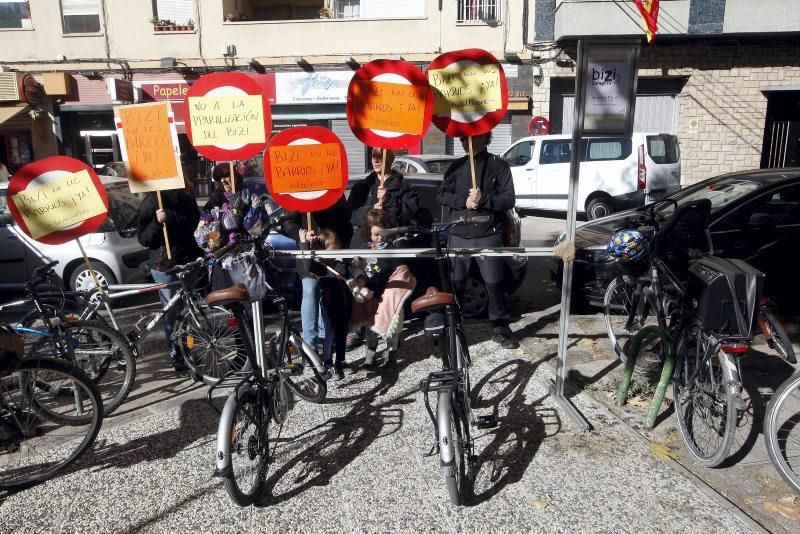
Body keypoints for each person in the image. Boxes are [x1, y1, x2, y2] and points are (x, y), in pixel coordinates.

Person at [437, 131, 519, 349]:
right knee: (456, 283)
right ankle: (454, 326)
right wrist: (463, 200)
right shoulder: (455, 167)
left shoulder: (499, 166)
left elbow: (509, 199)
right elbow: (441, 194)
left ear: (485, 138)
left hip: (489, 234)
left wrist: (485, 199)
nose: (466, 143)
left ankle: (500, 327)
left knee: (494, 283)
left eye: (472, 138)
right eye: (463, 139)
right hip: (459, 234)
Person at [137, 181, 204, 373]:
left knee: (189, 312)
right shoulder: (150, 204)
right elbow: (144, 239)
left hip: (188, 260)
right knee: (172, 312)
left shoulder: (186, 201)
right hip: (165, 265)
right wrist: (156, 223)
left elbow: (193, 224)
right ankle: (176, 353)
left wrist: (173, 219)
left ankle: (189, 349)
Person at [281, 197, 353, 348]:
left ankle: (327, 338)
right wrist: (302, 235)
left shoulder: (333, 192)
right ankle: (310, 345)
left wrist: (336, 245)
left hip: (331, 251)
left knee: (331, 294)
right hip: (307, 250)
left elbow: (346, 219)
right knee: (310, 289)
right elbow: (287, 223)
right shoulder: (297, 194)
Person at [350, 209, 416, 367]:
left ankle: (391, 353)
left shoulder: (393, 250)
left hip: (388, 295)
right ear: (368, 232)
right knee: (370, 326)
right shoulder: (365, 249)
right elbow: (354, 266)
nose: (379, 238)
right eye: (375, 234)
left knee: (391, 327)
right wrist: (358, 272)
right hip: (370, 293)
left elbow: (400, 273)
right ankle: (370, 354)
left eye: (382, 234)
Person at [298, 227, 354, 380]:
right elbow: (308, 265)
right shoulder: (322, 268)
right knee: (330, 335)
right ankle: (328, 362)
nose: (335, 255)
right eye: (332, 252)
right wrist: (304, 243)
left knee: (342, 334)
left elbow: (353, 271)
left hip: (346, 305)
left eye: (338, 250)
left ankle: (340, 362)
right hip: (330, 307)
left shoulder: (342, 264)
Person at [347, 147, 421, 234]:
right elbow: (350, 214)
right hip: (364, 243)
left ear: (391, 159)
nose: (376, 160)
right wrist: (371, 210)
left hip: (391, 242)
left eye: (380, 156)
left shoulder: (404, 187)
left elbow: (410, 215)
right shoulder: (362, 186)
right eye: (373, 156)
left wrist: (389, 200)